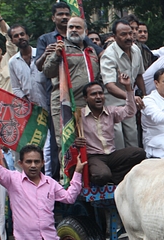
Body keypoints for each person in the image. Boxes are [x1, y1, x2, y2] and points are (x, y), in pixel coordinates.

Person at [74, 78, 146, 185]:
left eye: (101, 93)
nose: (98, 97)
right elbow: (68, 139)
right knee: (102, 175)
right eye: (94, 94)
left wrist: (128, 88)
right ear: (86, 98)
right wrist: (76, 141)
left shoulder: (111, 111)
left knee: (139, 153)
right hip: (94, 157)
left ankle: (111, 177)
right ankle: (102, 175)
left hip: (112, 155)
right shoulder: (79, 116)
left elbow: (130, 111)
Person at [43, 17, 100, 147]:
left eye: (77, 27)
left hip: (87, 105)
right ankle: (68, 168)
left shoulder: (91, 51)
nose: (74, 30)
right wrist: (56, 55)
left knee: (89, 143)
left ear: (85, 30)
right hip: (65, 105)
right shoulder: (60, 48)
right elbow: (47, 72)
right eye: (71, 27)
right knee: (67, 145)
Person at [8, 23, 56, 176]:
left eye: (22, 34)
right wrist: (26, 103)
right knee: (38, 147)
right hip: (31, 111)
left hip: (50, 106)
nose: (20, 38)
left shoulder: (42, 53)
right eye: (16, 36)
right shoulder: (13, 62)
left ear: (28, 36)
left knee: (50, 148)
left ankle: (49, 181)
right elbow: (15, 87)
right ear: (12, 40)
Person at [100, 18, 146, 149]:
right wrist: (130, 97)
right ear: (114, 37)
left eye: (130, 33)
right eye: (123, 34)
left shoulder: (136, 50)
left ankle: (133, 167)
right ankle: (119, 169)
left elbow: (139, 75)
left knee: (132, 137)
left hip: (130, 102)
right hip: (112, 104)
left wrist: (145, 95)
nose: (129, 37)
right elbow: (109, 86)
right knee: (118, 139)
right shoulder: (108, 55)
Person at [35, 2, 102, 72]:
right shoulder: (45, 39)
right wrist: (45, 55)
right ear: (53, 18)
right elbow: (39, 67)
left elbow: (100, 53)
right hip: (55, 81)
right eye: (60, 14)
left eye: (67, 14)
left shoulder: (81, 38)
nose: (64, 17)